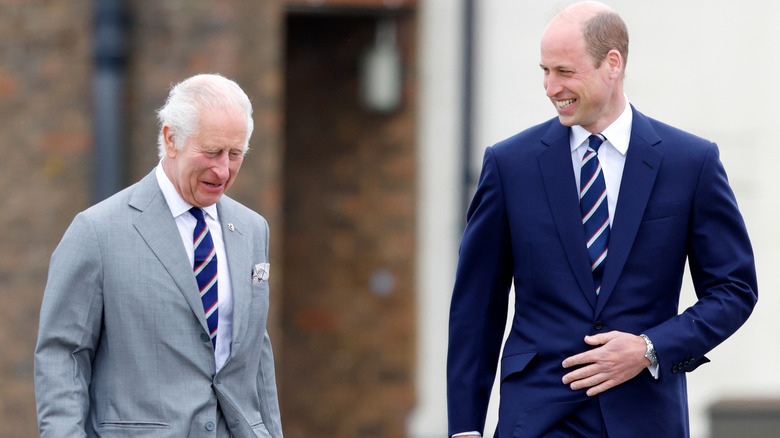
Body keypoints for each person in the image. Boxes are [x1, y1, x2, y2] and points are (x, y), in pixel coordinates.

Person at [446, 2, 757, 437]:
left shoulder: (691, 162)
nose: (550, 87)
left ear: (613, 64)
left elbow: (734, 289)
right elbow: (476, 307)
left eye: (564, 71)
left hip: (646, 417)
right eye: (544, 70)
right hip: (536, 419)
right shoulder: (508, 165)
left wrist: (650, 349)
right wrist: (464, 427)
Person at [35, 73, 283, 438]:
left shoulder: (253, 229)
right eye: (212, 151)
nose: (223, 170)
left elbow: (255, 357)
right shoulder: (97, 231)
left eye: (236, 154)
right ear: (170, 139)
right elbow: (63, 356)